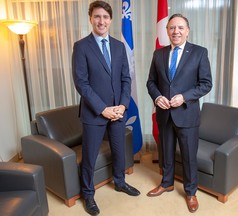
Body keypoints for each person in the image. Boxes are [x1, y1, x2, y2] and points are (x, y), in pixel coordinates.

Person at [72, 1, 140, 215]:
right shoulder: (81, 46)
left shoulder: (119, 47)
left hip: (118, 111)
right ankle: (88, 194)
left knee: (119, 152)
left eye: (105, 17)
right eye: (97, 16)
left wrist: (122, 104)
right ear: (91, 18)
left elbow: (125, 79)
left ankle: (120, 182)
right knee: (90, 156)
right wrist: (103, 109)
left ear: (111, 20)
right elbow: (81, 83)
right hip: (95, 113)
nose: (101, 21)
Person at [146, 13, 212, 213]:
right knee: (166, 153)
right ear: (167, 31)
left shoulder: (199, 53)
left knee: (189, 156)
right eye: (172, 28)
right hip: (164, 114)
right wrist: (157, 97)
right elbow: (151, 82)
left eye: (180, 27)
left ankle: (191, 192)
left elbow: (206, 84)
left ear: (187, 30)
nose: (176, 31)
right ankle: (166, 183)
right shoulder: (159, 54)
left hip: (187, 114)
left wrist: (184, 97)